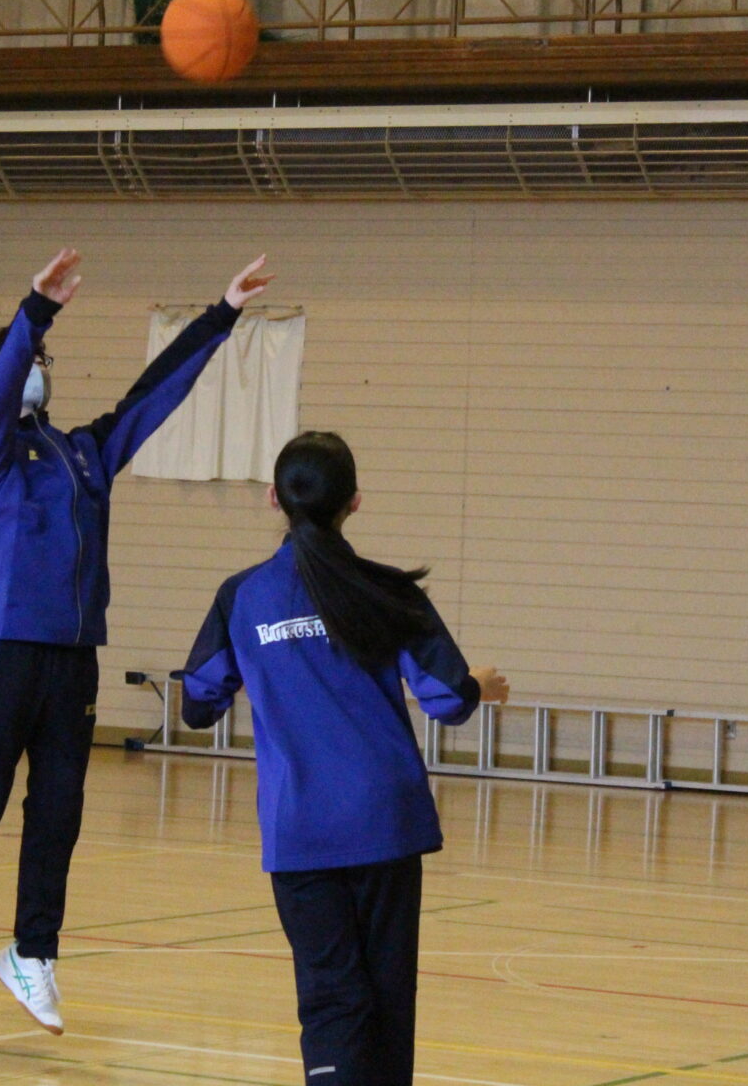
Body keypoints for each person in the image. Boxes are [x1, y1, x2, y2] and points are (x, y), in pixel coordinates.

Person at [0, 248, 274, 1045]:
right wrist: (34, 312)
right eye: (31, 363)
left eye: (43, 362)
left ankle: (30, 949)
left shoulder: (83, 452)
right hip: (7, 651)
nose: (40, 371)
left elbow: (153, 398)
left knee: (60, 813)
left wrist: (220, 315)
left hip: (74, 657)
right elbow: (2, 384)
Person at [180, 430, 509, 1085]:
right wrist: (479, 684)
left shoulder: (241, 597)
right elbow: (444, 698)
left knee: (332, 997)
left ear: (274, 498)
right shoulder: (388, 591)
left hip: (301, 829)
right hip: (385, 822)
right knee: (387, 999)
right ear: (355, 501)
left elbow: (196, 701)